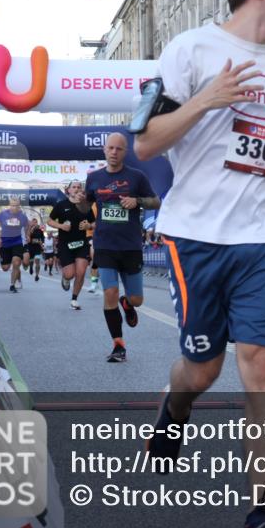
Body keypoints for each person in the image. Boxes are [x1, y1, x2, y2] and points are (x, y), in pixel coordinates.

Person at [134, 0, 265, 528]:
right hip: (197, 234)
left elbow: (259, 144)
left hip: (264, 236)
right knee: (202, 369)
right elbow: (146, 142)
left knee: (260, 367)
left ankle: (261, 517)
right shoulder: (190, 49)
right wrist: (206, 98)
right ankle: (173, 408)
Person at [83, 133, 160, 362]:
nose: (114, 152)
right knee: (109, 292)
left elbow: (156, 201)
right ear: (104, 150)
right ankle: (118, 345)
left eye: (119, 149)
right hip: (105, 245)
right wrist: (78, 203)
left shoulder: (137, 177)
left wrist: (138, 201)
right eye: (111, 148)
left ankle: (127, 304)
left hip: (131, 246)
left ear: (125, 152)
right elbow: (87, 204)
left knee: (136, 299)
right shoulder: (94, 178)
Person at [48, 179, 96, 310]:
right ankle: (65, 277)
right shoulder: (61, 205)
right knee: (71, 274)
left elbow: (95, 223)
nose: (76, 189)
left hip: (82, 244)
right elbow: (49, 221)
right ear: (68, 190)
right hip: (65, 245)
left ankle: (74, 299)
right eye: (73, 187)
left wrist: (89, 225)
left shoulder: (85, 206)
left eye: (79, 187)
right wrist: (61, 226)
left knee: (80, 272)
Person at [0, 197, 30, 293]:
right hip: (5, 243)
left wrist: (27, 235)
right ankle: (6, 262)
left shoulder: (22, 216)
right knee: (5, 268)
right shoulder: (3, 214)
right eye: (12, 205)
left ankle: (12, 285)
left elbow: (28, 226)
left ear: (19, 206)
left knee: (16, 262)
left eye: (16, 205)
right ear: (9, 205)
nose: (14, 207)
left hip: (17, 242)